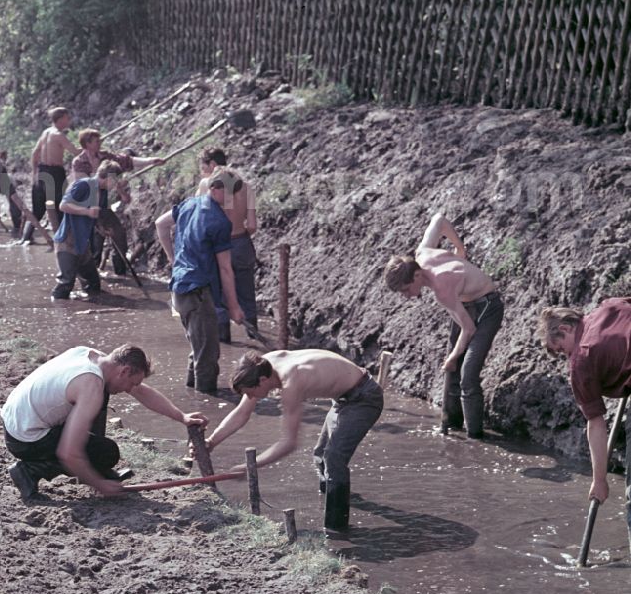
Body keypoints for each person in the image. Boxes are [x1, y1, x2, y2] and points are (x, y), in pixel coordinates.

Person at [203, 350, 383, 530]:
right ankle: (337, 498)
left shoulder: (292, 382)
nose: (250, 398)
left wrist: (251, 465)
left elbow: (289, 443)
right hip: (343, 398)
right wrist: (211, 442)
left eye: (250, 393)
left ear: (263, 381)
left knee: (333, 458)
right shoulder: (262, 366)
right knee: (321, 455)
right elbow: (242, 413)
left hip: (364, 398)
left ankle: (336, 530)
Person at [0, 344, 208, 500]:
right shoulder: (90, 384)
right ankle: (29, 471)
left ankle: (93, 467)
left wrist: (182, 417)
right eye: (131, 382)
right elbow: (68, 452)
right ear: (125, 370)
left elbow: (142, 392)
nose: (129, 389)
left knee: (101, 400)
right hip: (24, 438)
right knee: (106, 453)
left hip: (17, 419)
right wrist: (99, 484)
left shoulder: (92, 356)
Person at [383, 213, 504, 439]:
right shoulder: (421, 254)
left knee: (467, 372)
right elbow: (438, 219)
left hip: (488, 307)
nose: (407, 296)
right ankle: (451, 427)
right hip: (465, 304)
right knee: (453, 370)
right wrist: (460, 248)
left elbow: (469, 329)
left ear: (417, 275)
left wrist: (453, 356)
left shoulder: (442, 289)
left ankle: (474, 437)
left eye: (406, 290)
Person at [538, 300, 631, 553]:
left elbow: (596, 423)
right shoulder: (609, 306)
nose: (564, 356)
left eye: (560, 349)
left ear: (567, 328)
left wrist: (599, 480)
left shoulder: (581, 359)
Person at [155, 167, 245, 394]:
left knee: (198, 346)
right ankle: (205, 405)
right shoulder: (219, 222)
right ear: (215, 189)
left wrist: (173, 258)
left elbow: (160, 224)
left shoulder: (188, 204)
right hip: (198, 290)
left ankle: (191, 394)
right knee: (208, 354)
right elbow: (225, 268)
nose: (232, 200)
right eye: (229, 194)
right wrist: (234, 307)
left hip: (180, 286)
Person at [71, 128, 163, 276]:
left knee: (119, 234)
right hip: (86, 207)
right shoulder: (79, 162)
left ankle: (120, 270)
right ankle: (91, 276)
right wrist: (96, 221)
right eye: (97, 141)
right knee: (95, 244)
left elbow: (127, 161)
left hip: (104, 205)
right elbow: (84, 190)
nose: (100, 143)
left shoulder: (105, 156)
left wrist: (151, 161)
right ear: (87, 144)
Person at [196, 147, 258, 343]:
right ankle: (254, 336)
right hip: (242, 242)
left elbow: (200, 217)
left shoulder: (207, 185)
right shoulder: (246, 186)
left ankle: (224, 338)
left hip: (219, 246)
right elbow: (253, 225)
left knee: (218, 292)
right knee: (247, 292)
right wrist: (240, 235)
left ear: (213, 166)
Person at [51, 160, 124, 300]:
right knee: (65, 284)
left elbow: (96, 216)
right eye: (115, 181)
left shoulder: (102, 193)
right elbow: (64, 206)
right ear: (109, 178)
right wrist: (87, 212)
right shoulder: (83, 185)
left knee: (93, 283)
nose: (116, 185)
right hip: (67, 241)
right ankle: (58, 312)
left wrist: (102, 229)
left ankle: (92, 306)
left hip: (83, 243)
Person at [21, 106, 79, 243]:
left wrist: (35, 172)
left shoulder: (46, 132)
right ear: (60, 119)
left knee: (38, 209)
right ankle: (63, 240)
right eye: (67, 118)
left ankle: (26, 237)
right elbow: (75, 152)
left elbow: (35, 153)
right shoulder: (59, 136)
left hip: (42, 171)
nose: (69, 120)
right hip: (54, 173)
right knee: (60, 205)